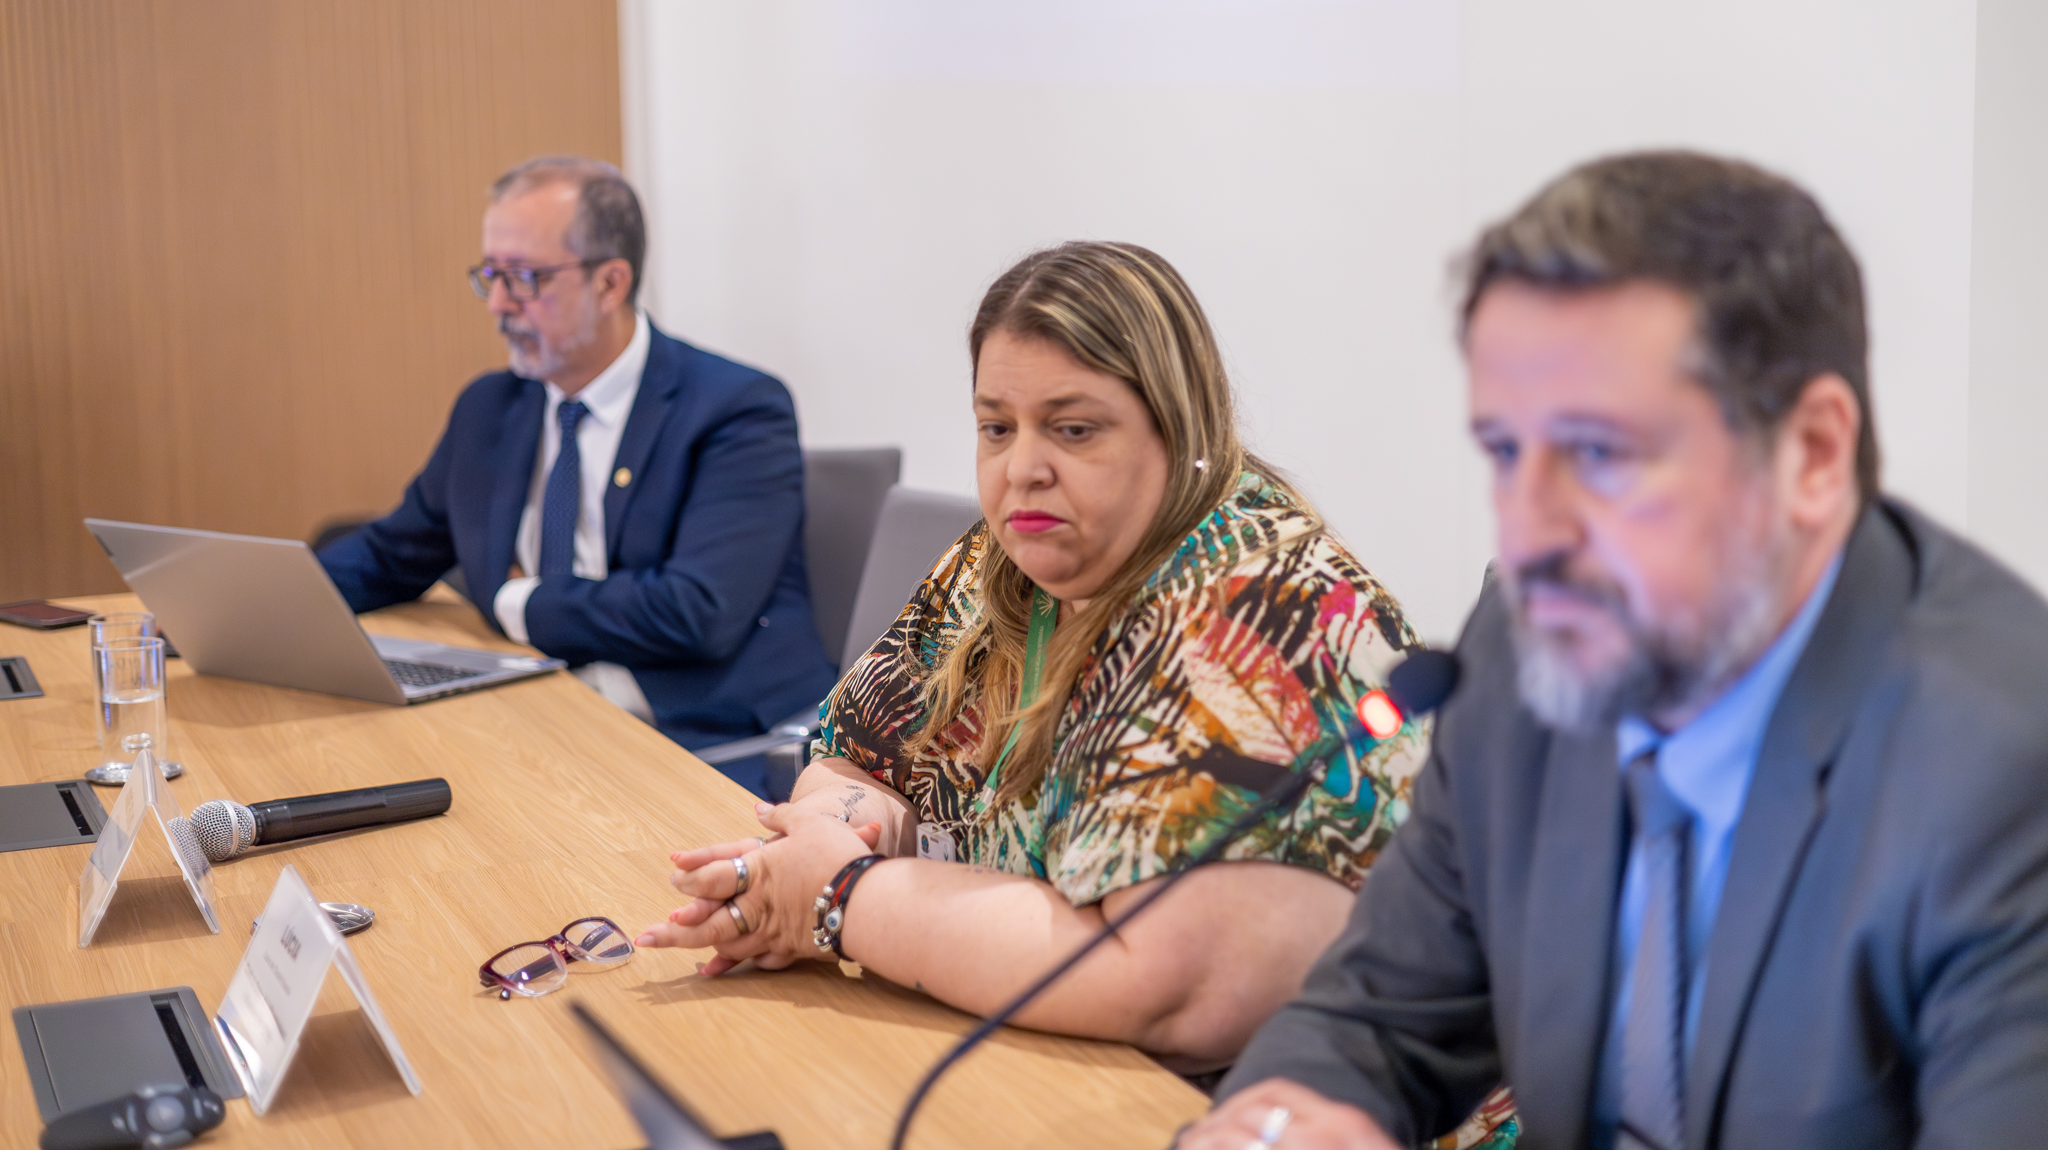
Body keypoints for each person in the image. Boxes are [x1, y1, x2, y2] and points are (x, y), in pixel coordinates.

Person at [1182, 151, 2048, 1150]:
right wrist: (1288, 1126)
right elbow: (1375, 1019)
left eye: (1598, 454)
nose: (1527, 532)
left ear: (1811, 453)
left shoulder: (2000, 774)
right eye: (1505, 452)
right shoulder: (1528, 654)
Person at [634, 242, 1505, 1113]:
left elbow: (1163, 982)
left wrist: (841, 896)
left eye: (1074, 428)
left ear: (1178, 427)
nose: (1023, 467)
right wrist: (835, 835)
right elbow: (852, 757)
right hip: (1035, 1057)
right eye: (996, 427)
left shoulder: (1257, 608)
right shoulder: (999, 561)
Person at [319, 157, 835, 794]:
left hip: (704, 736)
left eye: (525, 278)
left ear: (610, 283)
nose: (499, 304)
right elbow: (392, 554)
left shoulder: (736, 408)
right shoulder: (491, 408)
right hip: (548, 712)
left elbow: (696, 611)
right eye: (491, 276)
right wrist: (260, 607)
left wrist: (517, 601)